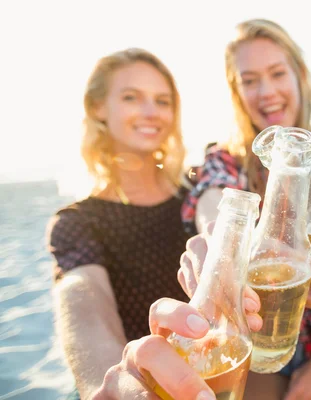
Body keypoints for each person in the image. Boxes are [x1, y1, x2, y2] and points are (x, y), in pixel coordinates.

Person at [181, 19, 311, 400]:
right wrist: (218, 239)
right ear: (236, 92)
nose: (267, 91)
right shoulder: (226, 160)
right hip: (259, 334)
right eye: (251, 80)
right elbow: (214, 200)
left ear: (300, 75)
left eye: (277, 73)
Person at [47, 48, 262, 399]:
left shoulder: (195, 190)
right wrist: (116, 384)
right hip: (144, 380)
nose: (151, 112)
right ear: (97, 107)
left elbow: (214, 210)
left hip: (212, 376)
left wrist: (219, 237)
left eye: (162, 101)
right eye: (132, 97)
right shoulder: (78, 222)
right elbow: (85, 307)